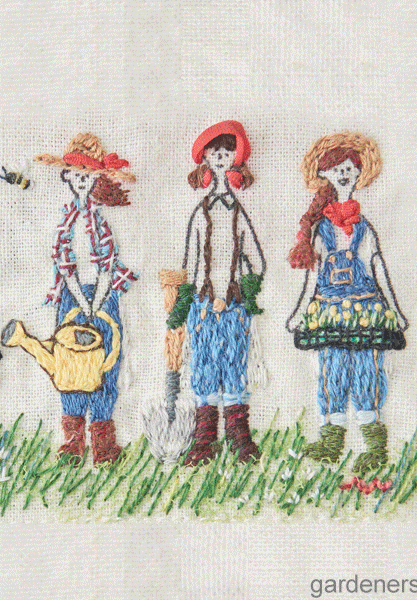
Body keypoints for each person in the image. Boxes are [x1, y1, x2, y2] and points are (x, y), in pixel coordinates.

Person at [287, 132, 407, 474]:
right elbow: (312, 275)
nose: (343, 174)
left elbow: (377, 267)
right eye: (336, 168)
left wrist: (395, 310)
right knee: (332, 371)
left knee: (368, 371)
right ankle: (331, 442)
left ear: (358, 175)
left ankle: (375, 446)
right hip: (328, 310)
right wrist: (300, 311)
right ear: (324, 174)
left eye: (349, 169)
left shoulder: (364, 228)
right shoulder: (321, 229)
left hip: (367, 309)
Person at [34, 133, 137, 464]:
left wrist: (98, 300)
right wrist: (82, 302)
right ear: (67, 176)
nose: (82, 180)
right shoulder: (66, 222)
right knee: (70, 366)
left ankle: (104, 445)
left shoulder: (100, 222)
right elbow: (64, 266)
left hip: (103, 296)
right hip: (73, 298)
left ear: (96, 180)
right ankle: (73, 442)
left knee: (106, 363)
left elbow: (107, 265)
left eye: (88, 175)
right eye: (77, 174)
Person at [177, 121, 266, 466]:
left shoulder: (237, 212)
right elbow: (189, 261)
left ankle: (239, 437)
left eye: (227, 152)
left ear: (234, 160)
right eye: (214, 152)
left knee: (233, 366)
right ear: (205, 159)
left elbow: (256, 259)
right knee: (203, 367)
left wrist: (247, 289)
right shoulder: (200, 214)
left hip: (232, 307)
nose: (220, 157)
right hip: (202, 307)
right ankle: (204, 441)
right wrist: (184, 298)